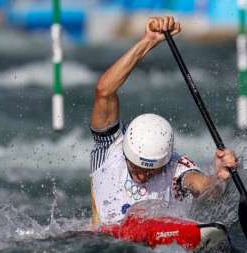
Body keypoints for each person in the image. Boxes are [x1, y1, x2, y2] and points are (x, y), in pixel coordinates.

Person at [89, 16, 238, 226]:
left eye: (151, 171)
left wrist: (221, 178)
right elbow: (104, 90)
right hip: (103, 241)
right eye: (136, 168)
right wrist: (148, 41)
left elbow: (205, 189)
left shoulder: (176, 168)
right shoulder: (109, 148)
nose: (141, 177)